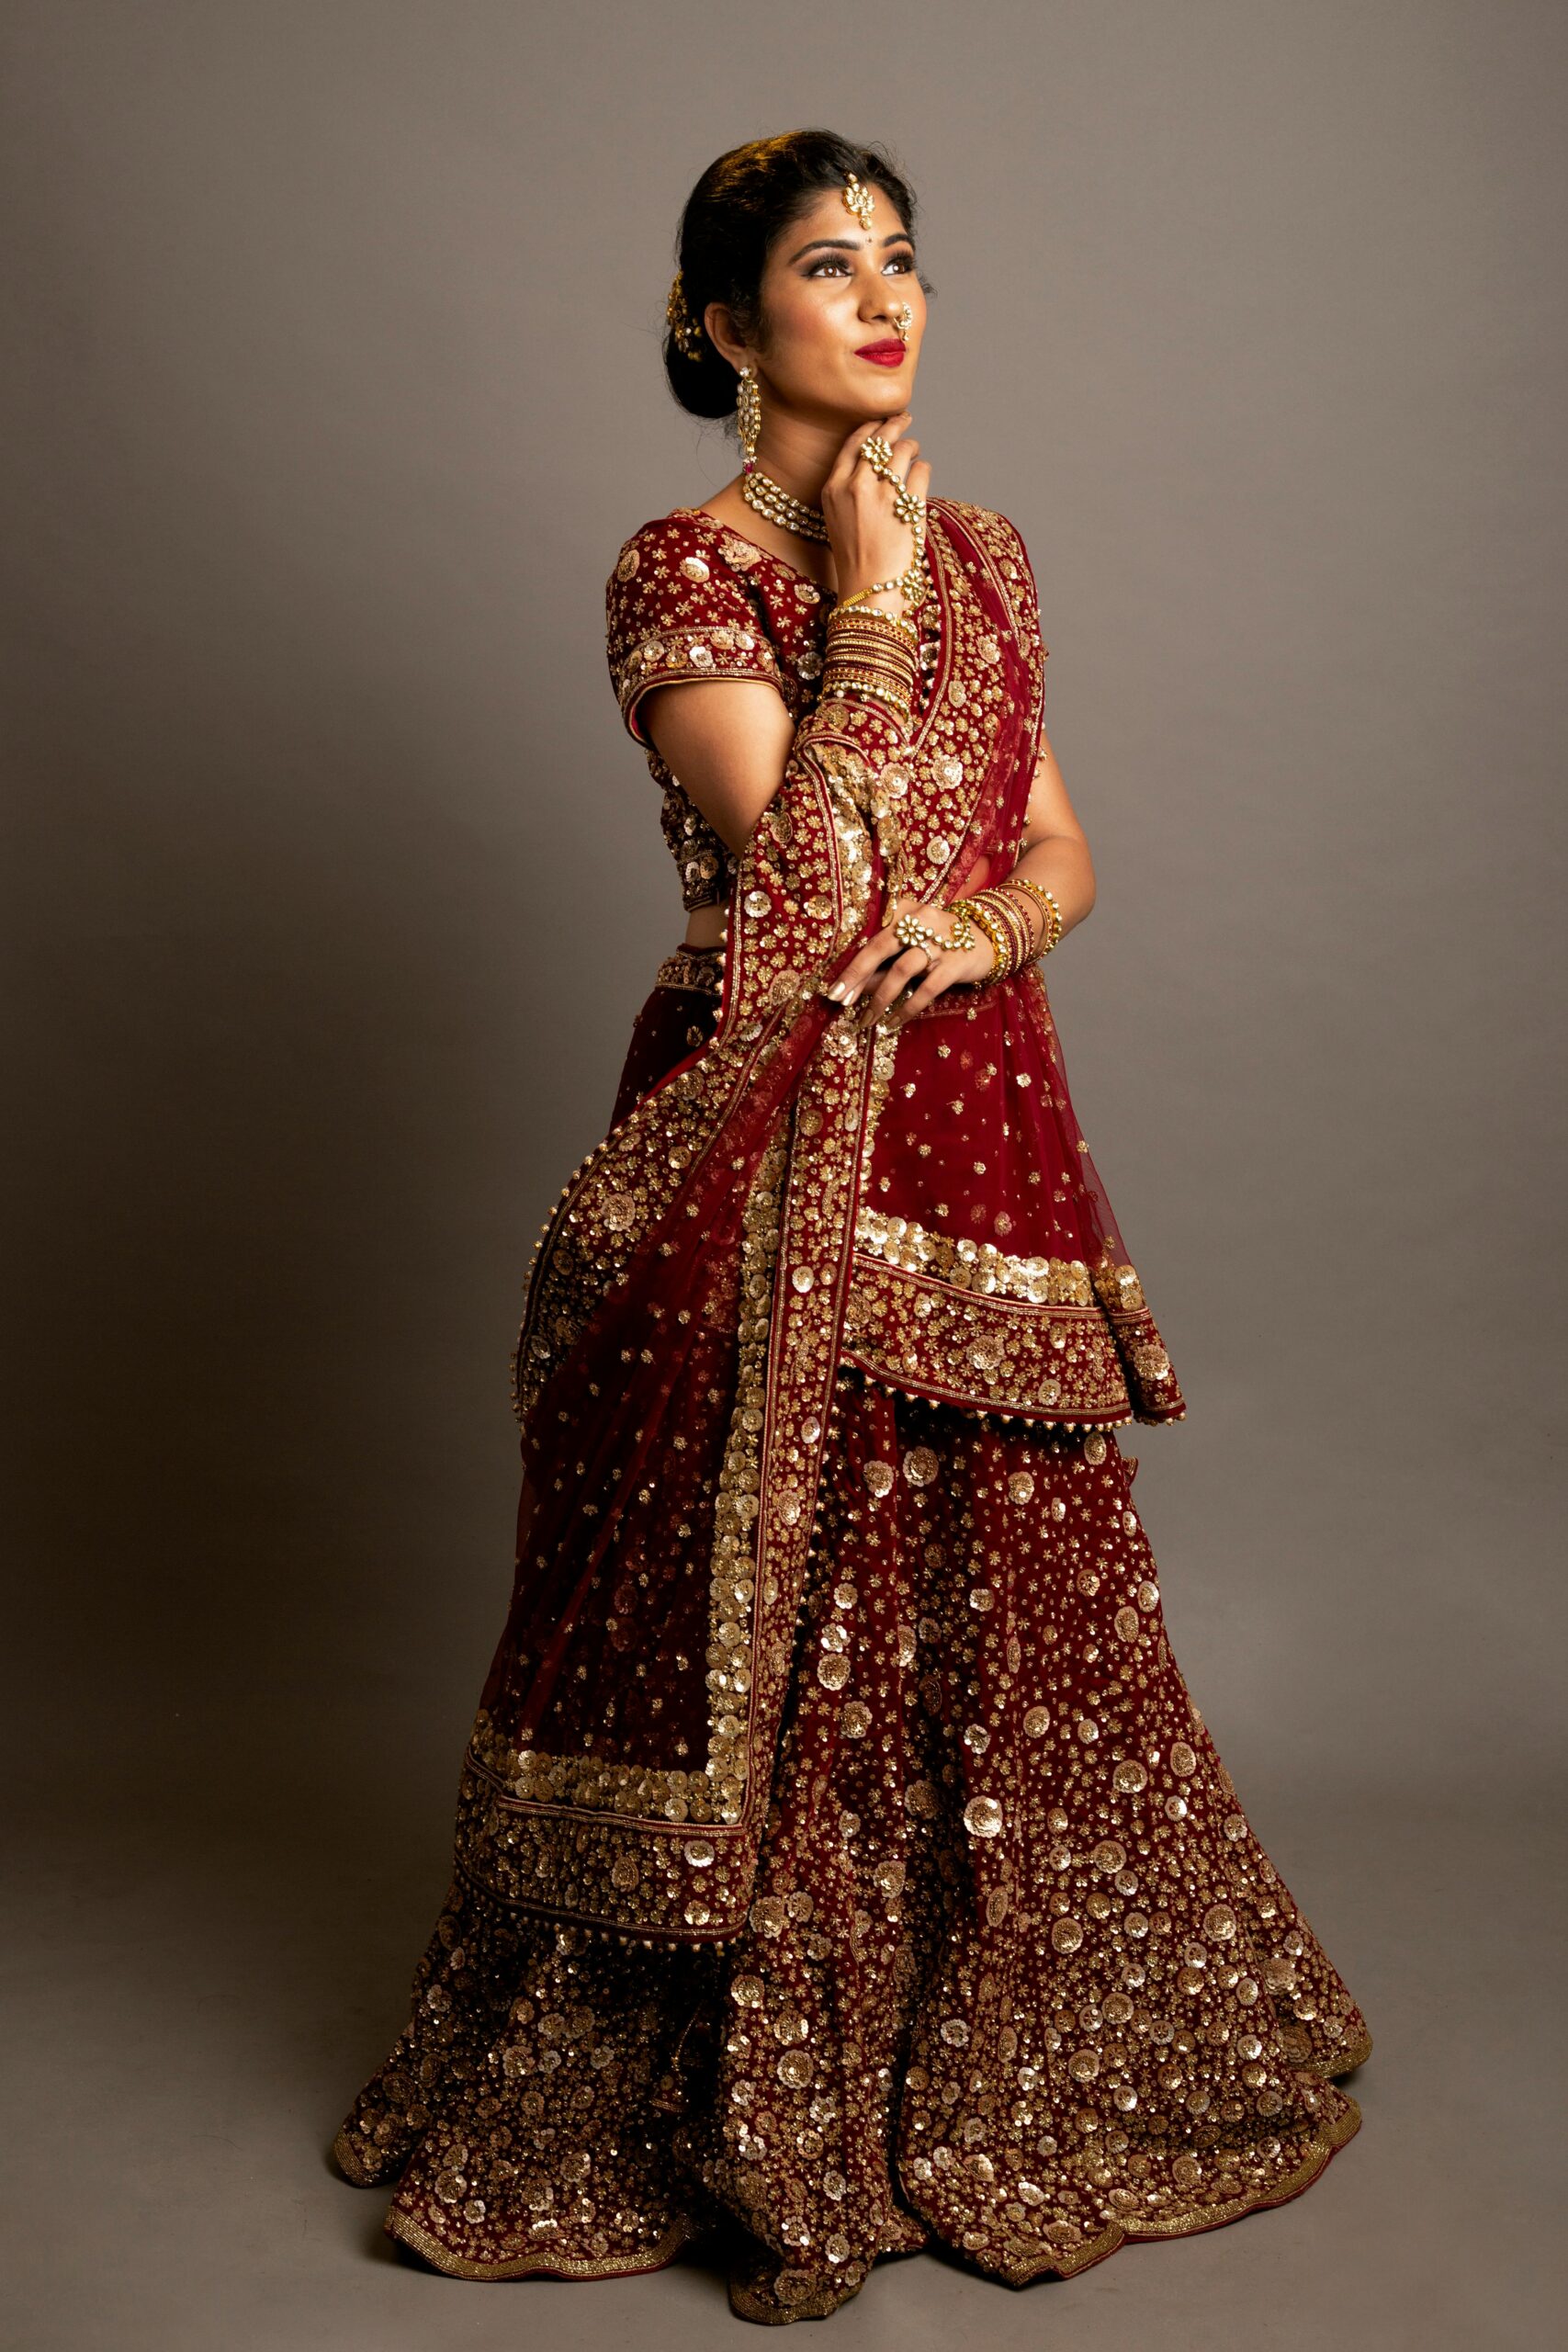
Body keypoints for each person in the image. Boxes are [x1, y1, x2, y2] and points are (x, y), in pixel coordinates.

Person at [333, 130, 1370, 2324]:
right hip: (767, 1126)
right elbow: (803, 887)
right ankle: (736, 2090)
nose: (886, 299)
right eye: (828, 265)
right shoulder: (681, 570)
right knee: (768, 1591)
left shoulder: (991, 553)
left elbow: (1057, 847)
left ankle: (971, 2044)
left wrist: (994, 923)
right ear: (726, 323)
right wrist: (869, 597)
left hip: (970, 1125)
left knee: (989, 1588)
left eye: (902, 258)